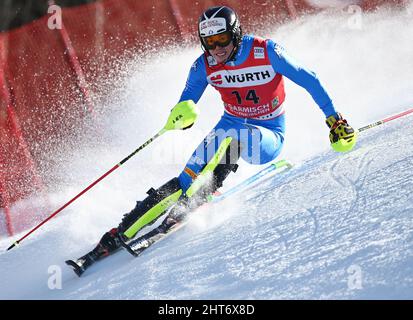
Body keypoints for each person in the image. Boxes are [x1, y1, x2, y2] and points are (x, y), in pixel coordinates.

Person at [68, 6, 357, 273]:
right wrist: (181, 116)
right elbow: (186, 103)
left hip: (267, 136)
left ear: (236, 34)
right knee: (186, 177)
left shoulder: (266, 52)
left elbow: (310, 78)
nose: (216, 49)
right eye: (209, 42)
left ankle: (207, 189)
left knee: (234, 136)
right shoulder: (203, 65)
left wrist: (334, 119)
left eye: (221, 40)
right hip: (229, 126)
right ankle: (119, 233)